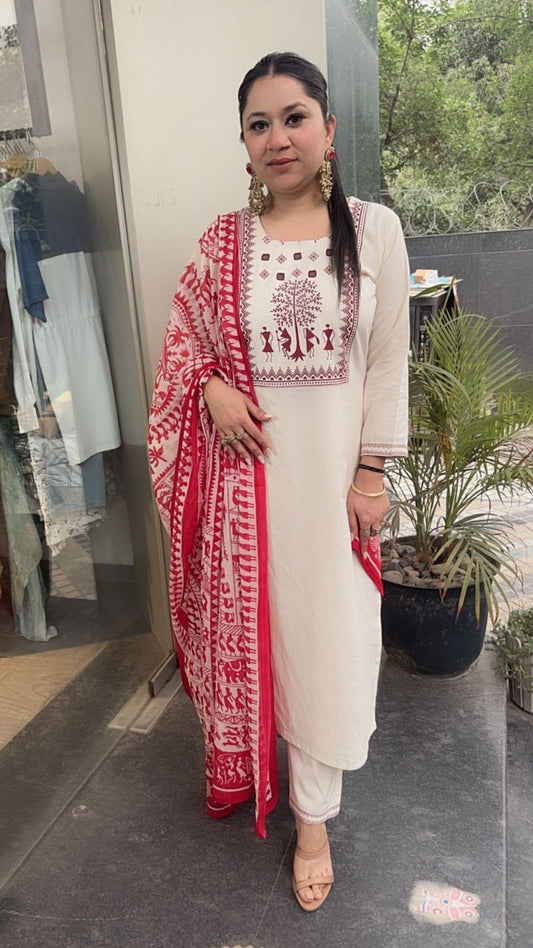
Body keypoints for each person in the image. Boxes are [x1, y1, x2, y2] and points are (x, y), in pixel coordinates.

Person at [148, 51, 409, 912]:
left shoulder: (372, 229)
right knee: (270, 647)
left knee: (329, 648)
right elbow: (183, 349)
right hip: (245, 497)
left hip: (333, 494)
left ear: (326, 129)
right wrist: (210, 388)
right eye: (258, 125)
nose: (277, 138)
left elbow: (388, 361)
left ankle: (313, 820)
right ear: (244, 144)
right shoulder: (222, 243)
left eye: (293, 117)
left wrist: (370, 472)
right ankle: (293, 804)